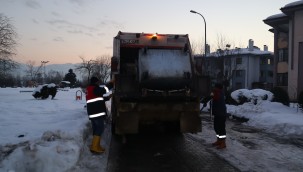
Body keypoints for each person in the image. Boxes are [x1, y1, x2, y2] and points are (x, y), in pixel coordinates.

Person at [86, 76, 114, 154]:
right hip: (96, 112)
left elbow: (97, 98)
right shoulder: (94, 88)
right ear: (95, 82)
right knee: (100, 129)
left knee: (96, 129)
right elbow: (104, 90)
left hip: (92, 113)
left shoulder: (90, 89)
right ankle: (94, 147)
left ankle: (95, 146)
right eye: (98, 82)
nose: (99, 83)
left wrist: (107, 97)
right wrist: (111, 84)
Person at [203, 83, 227, 149]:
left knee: (221, 128)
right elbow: (211, 96)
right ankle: (219, 140)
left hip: (221, 114)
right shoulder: (217, 92)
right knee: (216, 127)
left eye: (215, 87)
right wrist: (205, 100)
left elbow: (213, 97)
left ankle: (223, 143)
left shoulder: (218, 92)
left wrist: (205, 100)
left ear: (217, 88)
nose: (214, 88)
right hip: (217, 113)